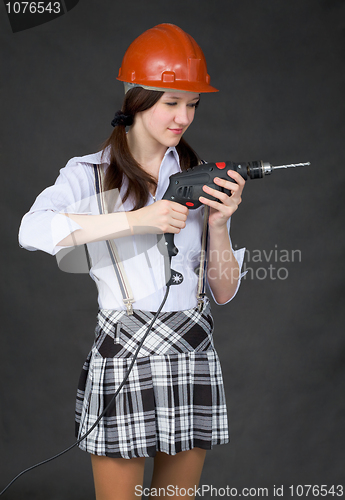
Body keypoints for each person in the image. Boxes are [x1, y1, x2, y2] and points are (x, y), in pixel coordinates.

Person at [19, 23, 246, 500]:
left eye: (192, 104)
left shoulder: (197, 177)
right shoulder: (89, 173)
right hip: (125, 352)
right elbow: (31, 230)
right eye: (171, 102)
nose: (183, 117)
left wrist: (220, 224)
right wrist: (135, 220)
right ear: (137, 100)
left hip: (192, 349)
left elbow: (223, 293)